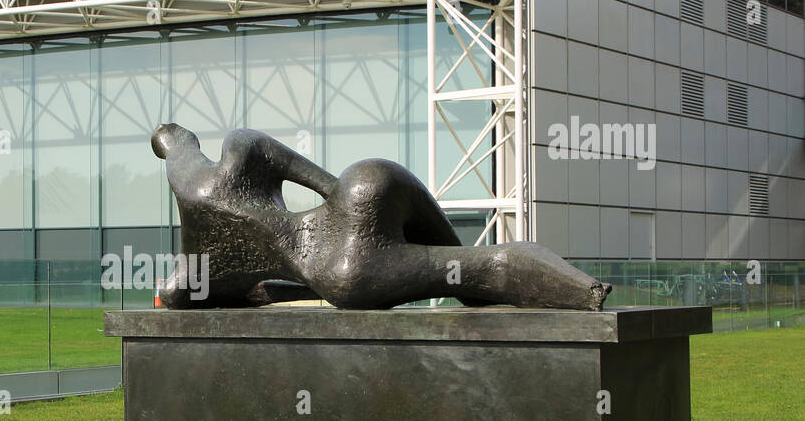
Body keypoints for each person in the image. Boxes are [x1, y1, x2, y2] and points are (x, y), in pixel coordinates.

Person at [150, 122, 611, 310]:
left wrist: (255, 290)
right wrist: (345, 199)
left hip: (342, 264)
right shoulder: (240, 146)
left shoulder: (197, 244)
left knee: (483, 269)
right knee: (467, 262)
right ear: (188, 141)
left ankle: (587, 295)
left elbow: (177, 296)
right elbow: (323, 182)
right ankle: (573, 286)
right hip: (367, 183)